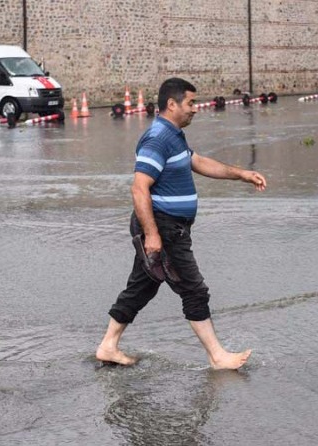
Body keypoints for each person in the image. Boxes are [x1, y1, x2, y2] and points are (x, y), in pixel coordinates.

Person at [96, 78, 267, 370]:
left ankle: (108, 346)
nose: (195, 109)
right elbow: (139, 188)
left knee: (142, 286)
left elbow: (198, 162)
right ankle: (217, 356)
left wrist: (242, 174)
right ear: (171, 104)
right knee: (193, 289)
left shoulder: (174, 136)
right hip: (163, 227)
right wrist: (152, 235)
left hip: (168, 227)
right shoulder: (157, 138)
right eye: (190, 103)